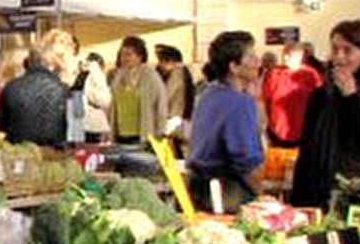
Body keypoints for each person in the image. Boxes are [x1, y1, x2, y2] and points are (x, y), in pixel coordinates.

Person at [291, 20, 360, 209]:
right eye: (335, 50)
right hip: (320, 189)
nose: (340, 57)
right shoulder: (321, 95)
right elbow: (308, 149)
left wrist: (351, 97)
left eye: (348, 50)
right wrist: (298, 200)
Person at [186, 30, 264, 212]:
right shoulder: (238, 102)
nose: (257, 62)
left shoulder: (209, 94)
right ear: (234, 67)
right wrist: (261, 195)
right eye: (251, 56)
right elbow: (246, 160)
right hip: (226, 192)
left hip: (198, 187)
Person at [0, 29, 72, 148]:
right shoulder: (65, 91)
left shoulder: (11, 87)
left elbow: (0, 125)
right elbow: (76, 131)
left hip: (18, 152)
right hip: (52, 155)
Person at [261, 42, 324, 147]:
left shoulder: (311, 74)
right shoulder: (274, 74)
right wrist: (267, 127)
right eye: (285, 54)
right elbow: (265, 100)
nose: (286, 58)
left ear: (301, 56)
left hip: (305, 132)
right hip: (278, 131)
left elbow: (321, 101)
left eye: (291, 54)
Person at [108, 35, 167, 143]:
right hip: (121, 135)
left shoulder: (150, 76)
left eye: (129, 55)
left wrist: (161, 131)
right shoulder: (118, 76)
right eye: (122, 55)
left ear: (140, 56)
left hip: (142, 134)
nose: (125, 58)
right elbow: (112, 105)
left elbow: (161, 104)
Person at [74, 51, 112, 143]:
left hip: (77, 124)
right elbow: (105, 100)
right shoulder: (95, 71)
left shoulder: (77, 72)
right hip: (91, 125)